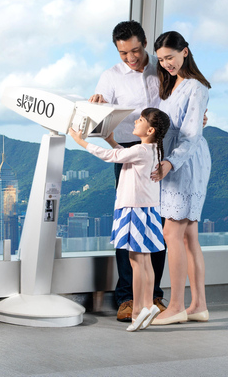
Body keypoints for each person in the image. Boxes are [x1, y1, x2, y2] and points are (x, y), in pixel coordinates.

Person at [90, 20, 167, 322]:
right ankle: (126, 298)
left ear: (145, 43)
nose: (131, 58)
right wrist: (96, 103)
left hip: (160, 150)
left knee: (157, 224)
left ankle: (154, 296)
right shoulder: (110, 77)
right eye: (124, 54)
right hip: (126, 151)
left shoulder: (161, 69)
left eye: (135, 51)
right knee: (130, 224)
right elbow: (99, 111)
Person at [69, 108, 171, 332]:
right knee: (145, 261)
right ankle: (148, 303)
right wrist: (114, 142)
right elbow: (125, 156)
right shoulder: (153, 150)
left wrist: (81, 141)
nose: (136, 121)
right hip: (149, 210)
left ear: (150, 129)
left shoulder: (142, 150)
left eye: (141, 120)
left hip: (133, 210)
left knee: (135, 262)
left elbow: (114, 157)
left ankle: (136, 312)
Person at [150, 31, 211, 325]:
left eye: (170, 57)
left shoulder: (195, 88)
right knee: (188, 237)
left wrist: (169, 164)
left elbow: (191, 135)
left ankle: (176, 306)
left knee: (171, 233)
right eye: (161, 60)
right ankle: (198, 305)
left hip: (186, 164)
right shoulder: (172, 87)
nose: (166, 64)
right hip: (176, 163)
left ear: (185, 51)